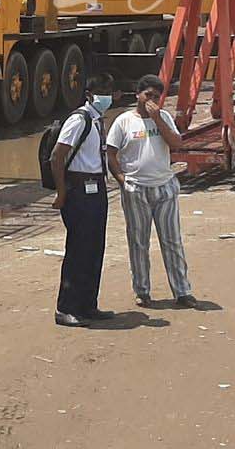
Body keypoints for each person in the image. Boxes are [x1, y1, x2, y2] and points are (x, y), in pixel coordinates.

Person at [106, 74, 196, 309]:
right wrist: (121, 179)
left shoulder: (163, 117)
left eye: (157, 96)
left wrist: (157, 119)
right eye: (148, 95)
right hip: (136, 190)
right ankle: (142, 291)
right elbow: (111, 154)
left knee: (172, 241)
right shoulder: (123, 122)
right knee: (138, 242)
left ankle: (182, 291)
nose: (152, 100)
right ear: (138, 95)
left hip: (164, 187)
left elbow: (176, 144)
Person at [49, 73, 117, 327]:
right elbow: (57, 157)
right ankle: (66, 308)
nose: (107, 96)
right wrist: (61, 193)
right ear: (89, 94)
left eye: (110, 91)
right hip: (78, 189)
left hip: (96, 188)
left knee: (94, 249)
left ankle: (88, 304)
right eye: (102, 90)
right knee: (78, 250)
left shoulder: (99, 120)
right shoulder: (79, 119)